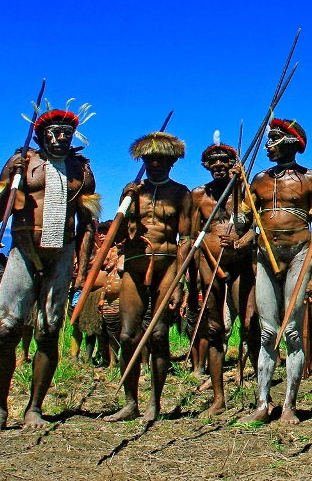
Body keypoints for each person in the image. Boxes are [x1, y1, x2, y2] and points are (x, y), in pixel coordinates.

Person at [0, 103, 98, 432]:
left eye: (67, 133)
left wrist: (83, 266)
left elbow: (88, 224)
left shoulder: (81, 170)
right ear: (40, 134)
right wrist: (12, 181)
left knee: (49, 332)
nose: (61, 138)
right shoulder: (22, 162)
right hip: (22, 250)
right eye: (54, 133)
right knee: (6, 331)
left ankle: (34, 408)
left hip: (62, 252)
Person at [239, 119, 312, 426]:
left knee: (291, 332)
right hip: (264, 256)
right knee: (267, 332)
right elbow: (242, 222)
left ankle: (289, 405)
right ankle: (262, 403)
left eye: (273, 138)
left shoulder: (311, 179)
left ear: (291, 140)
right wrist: (240, 191)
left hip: (299, 255)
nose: (267, 144)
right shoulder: (259, 179)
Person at [105, 132, 192, 423]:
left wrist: (180, 281)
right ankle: (131, 403)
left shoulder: (181, 194)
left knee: (157, 333)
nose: (155, 164)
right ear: (142, 161)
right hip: (134, 263)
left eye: (162, 159)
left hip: (167, 265)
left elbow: (185, 239)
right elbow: (116, 234)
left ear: (172, 162)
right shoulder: (132, 191)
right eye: (149, 159)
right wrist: (125, 202)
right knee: (128, 335)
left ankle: (155, 401)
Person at [190, 136, 261, 416]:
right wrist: (200, 269)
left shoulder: (244, 192)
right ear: (207, 165)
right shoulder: (198, 195)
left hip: (242, 264)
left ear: (233, 164)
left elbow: (256, 226)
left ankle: (261, 396)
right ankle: (219, 399)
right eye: (214, 160)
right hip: (210, 265)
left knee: (250, 324)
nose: (219, 164)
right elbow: (194, 236)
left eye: (225, 160)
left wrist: (240, 244)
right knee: (214, 329)